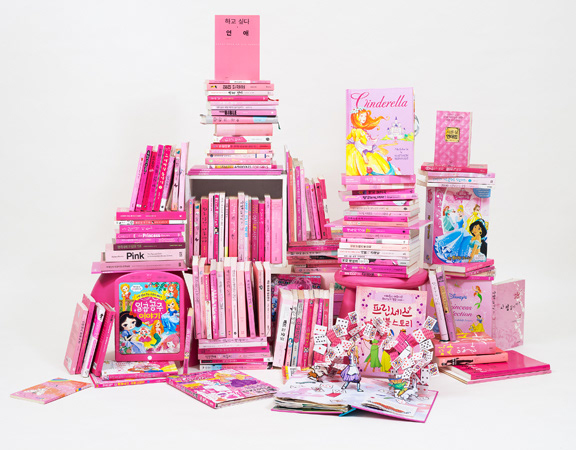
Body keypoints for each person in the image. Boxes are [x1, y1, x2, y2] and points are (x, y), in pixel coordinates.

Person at [346, 108, 399, 176]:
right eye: (361, 116)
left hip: (363, 148)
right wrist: (363, 155)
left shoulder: (357, 129)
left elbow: (350, 138)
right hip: (361, 151)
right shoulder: (358, 130)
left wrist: (372, 139)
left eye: (365, 116)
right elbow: (357, 144)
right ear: (356, 117)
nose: (364, 118)